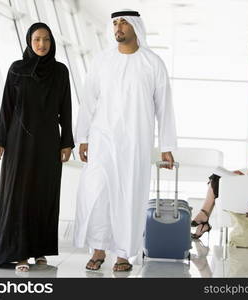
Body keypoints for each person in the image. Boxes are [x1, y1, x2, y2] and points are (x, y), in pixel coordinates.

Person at [73, 10, 177, 272]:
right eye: (115, 23)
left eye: (123, 23)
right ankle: (98, 249)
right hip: (102, 138)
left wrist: (167, 147)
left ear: (135, 27)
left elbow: (164, 107)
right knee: (97, 192)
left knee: (129, 196)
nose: (117, 27)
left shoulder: (153, 63)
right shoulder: (102, 61)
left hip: (135, 142)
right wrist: (83, 137)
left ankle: (122, 254)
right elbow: (88, 101)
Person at [0, 23, 75, 272]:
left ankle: (39, 250)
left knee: (43, 194)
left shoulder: (60, 72)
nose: (42, 44)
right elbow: (7, 106)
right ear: (29, 41)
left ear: (51, 43)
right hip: (18, 142)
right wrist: (0, 140)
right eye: (37, 39)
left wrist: (66, 141)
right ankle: (19, 254)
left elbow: (66, 108)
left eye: (46, 39)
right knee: (18, 195)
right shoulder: (17, 69)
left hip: (48, 142)